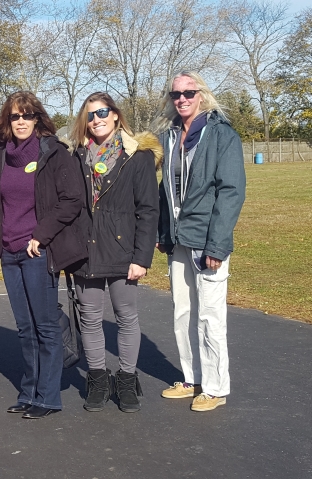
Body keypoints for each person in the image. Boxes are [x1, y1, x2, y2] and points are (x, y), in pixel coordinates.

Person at [152, 71, 246, 412]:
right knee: (182, 312)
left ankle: (215, 387)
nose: (182, 99)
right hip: (178, 240)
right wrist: (163, 232)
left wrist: (217, 246)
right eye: (175, 94)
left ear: (201, 95)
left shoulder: (222, 135)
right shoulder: (168, 135)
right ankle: (191, 379)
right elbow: (165, 189)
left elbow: (231, 192)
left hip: (207, 240)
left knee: (209, 315)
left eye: (188, 92)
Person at [0, 92, 87, 419]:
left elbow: (72, 199)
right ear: (8, 120)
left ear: (37, 119)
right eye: (15, 116)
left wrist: (41, 234)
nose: (21, 121)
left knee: (45, 325)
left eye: (27, 115)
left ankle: (48, 397)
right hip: (9, 252)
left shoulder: (53, 152)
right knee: (25, 327)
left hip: (37, 251)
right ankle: (29, 392)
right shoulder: (3, 154)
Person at [69, 92, 161, 413]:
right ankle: (97, 379)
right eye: (90, 115)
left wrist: (141, 258)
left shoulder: (138, 157)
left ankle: (126, 379)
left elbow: (148, 210)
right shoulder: (76, 156)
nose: (97, 119)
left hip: (124, 251)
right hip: (86, 250)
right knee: (90, 318)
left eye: (103, 112)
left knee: (126, 317)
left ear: (116, 115)